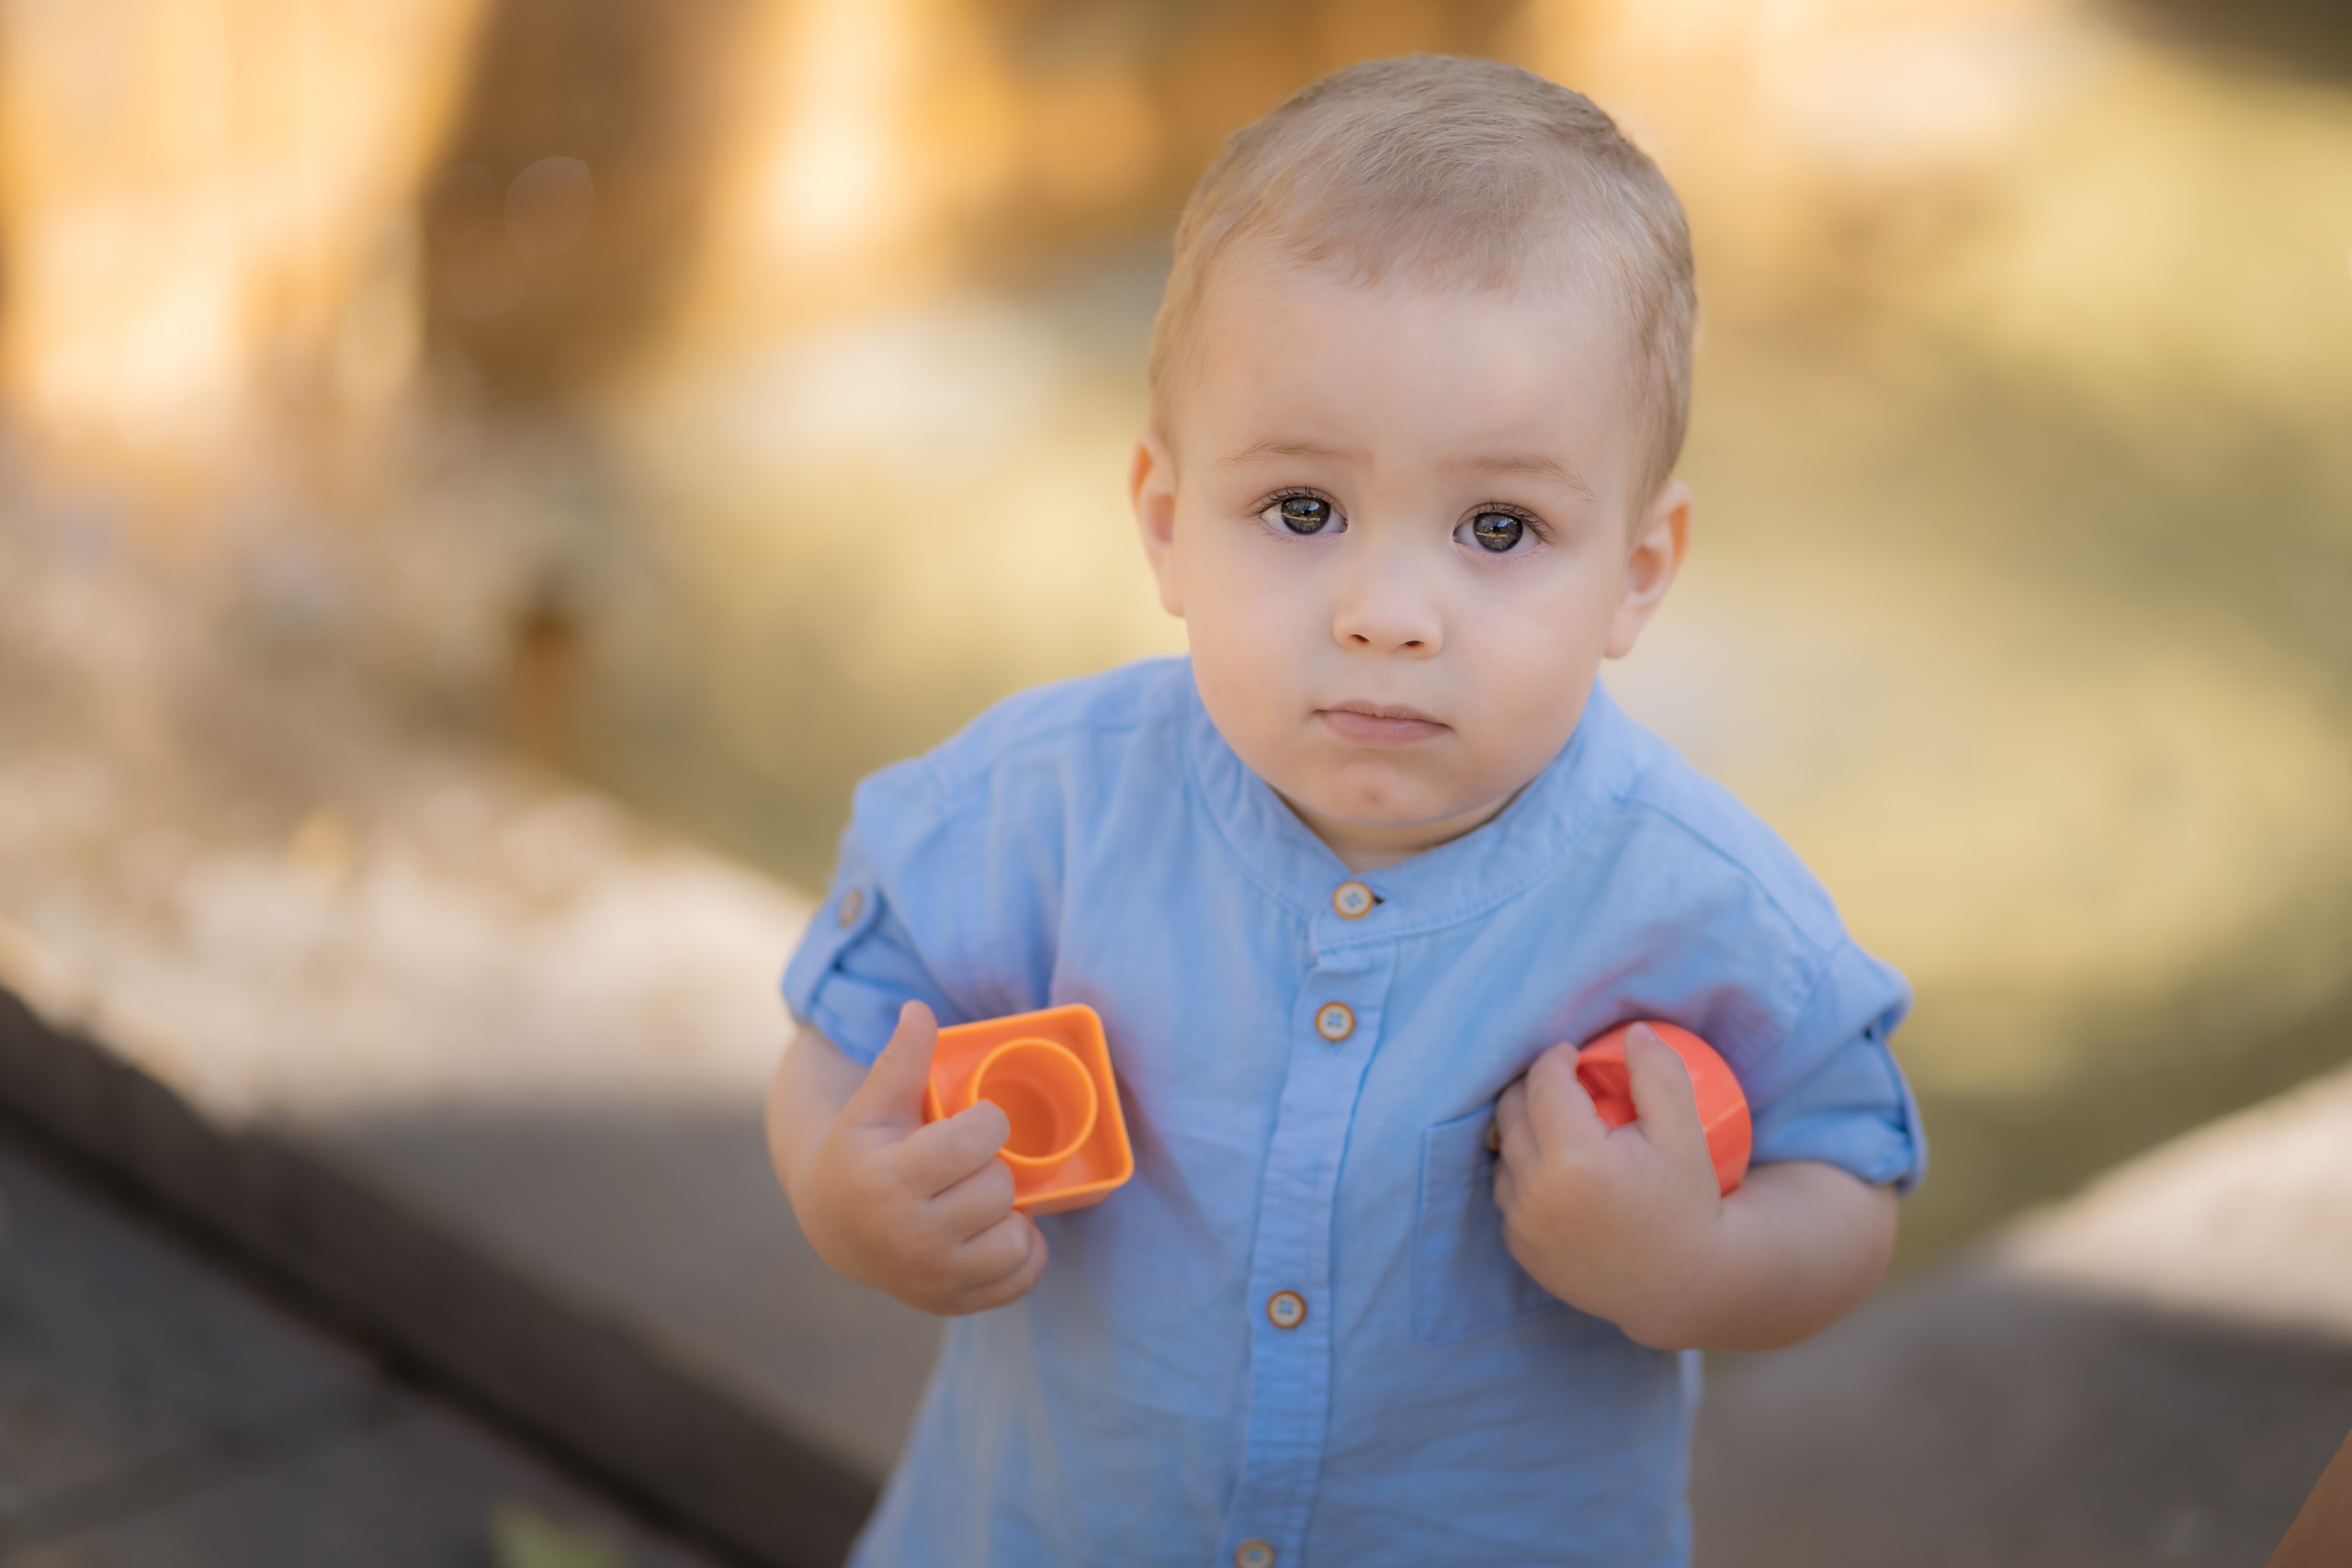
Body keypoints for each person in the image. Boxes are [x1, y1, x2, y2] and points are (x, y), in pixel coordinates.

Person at [766, 54, 1925, 1567]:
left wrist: (1695, 1262)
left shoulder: (1699, 905)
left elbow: (1849, 1181)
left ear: (1639, 570)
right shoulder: (1028, 814)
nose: (1388, 612)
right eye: (1302, 511)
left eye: (1499, 527)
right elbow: (839, 1048)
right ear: (1171, 526)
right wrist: (848, 1199)